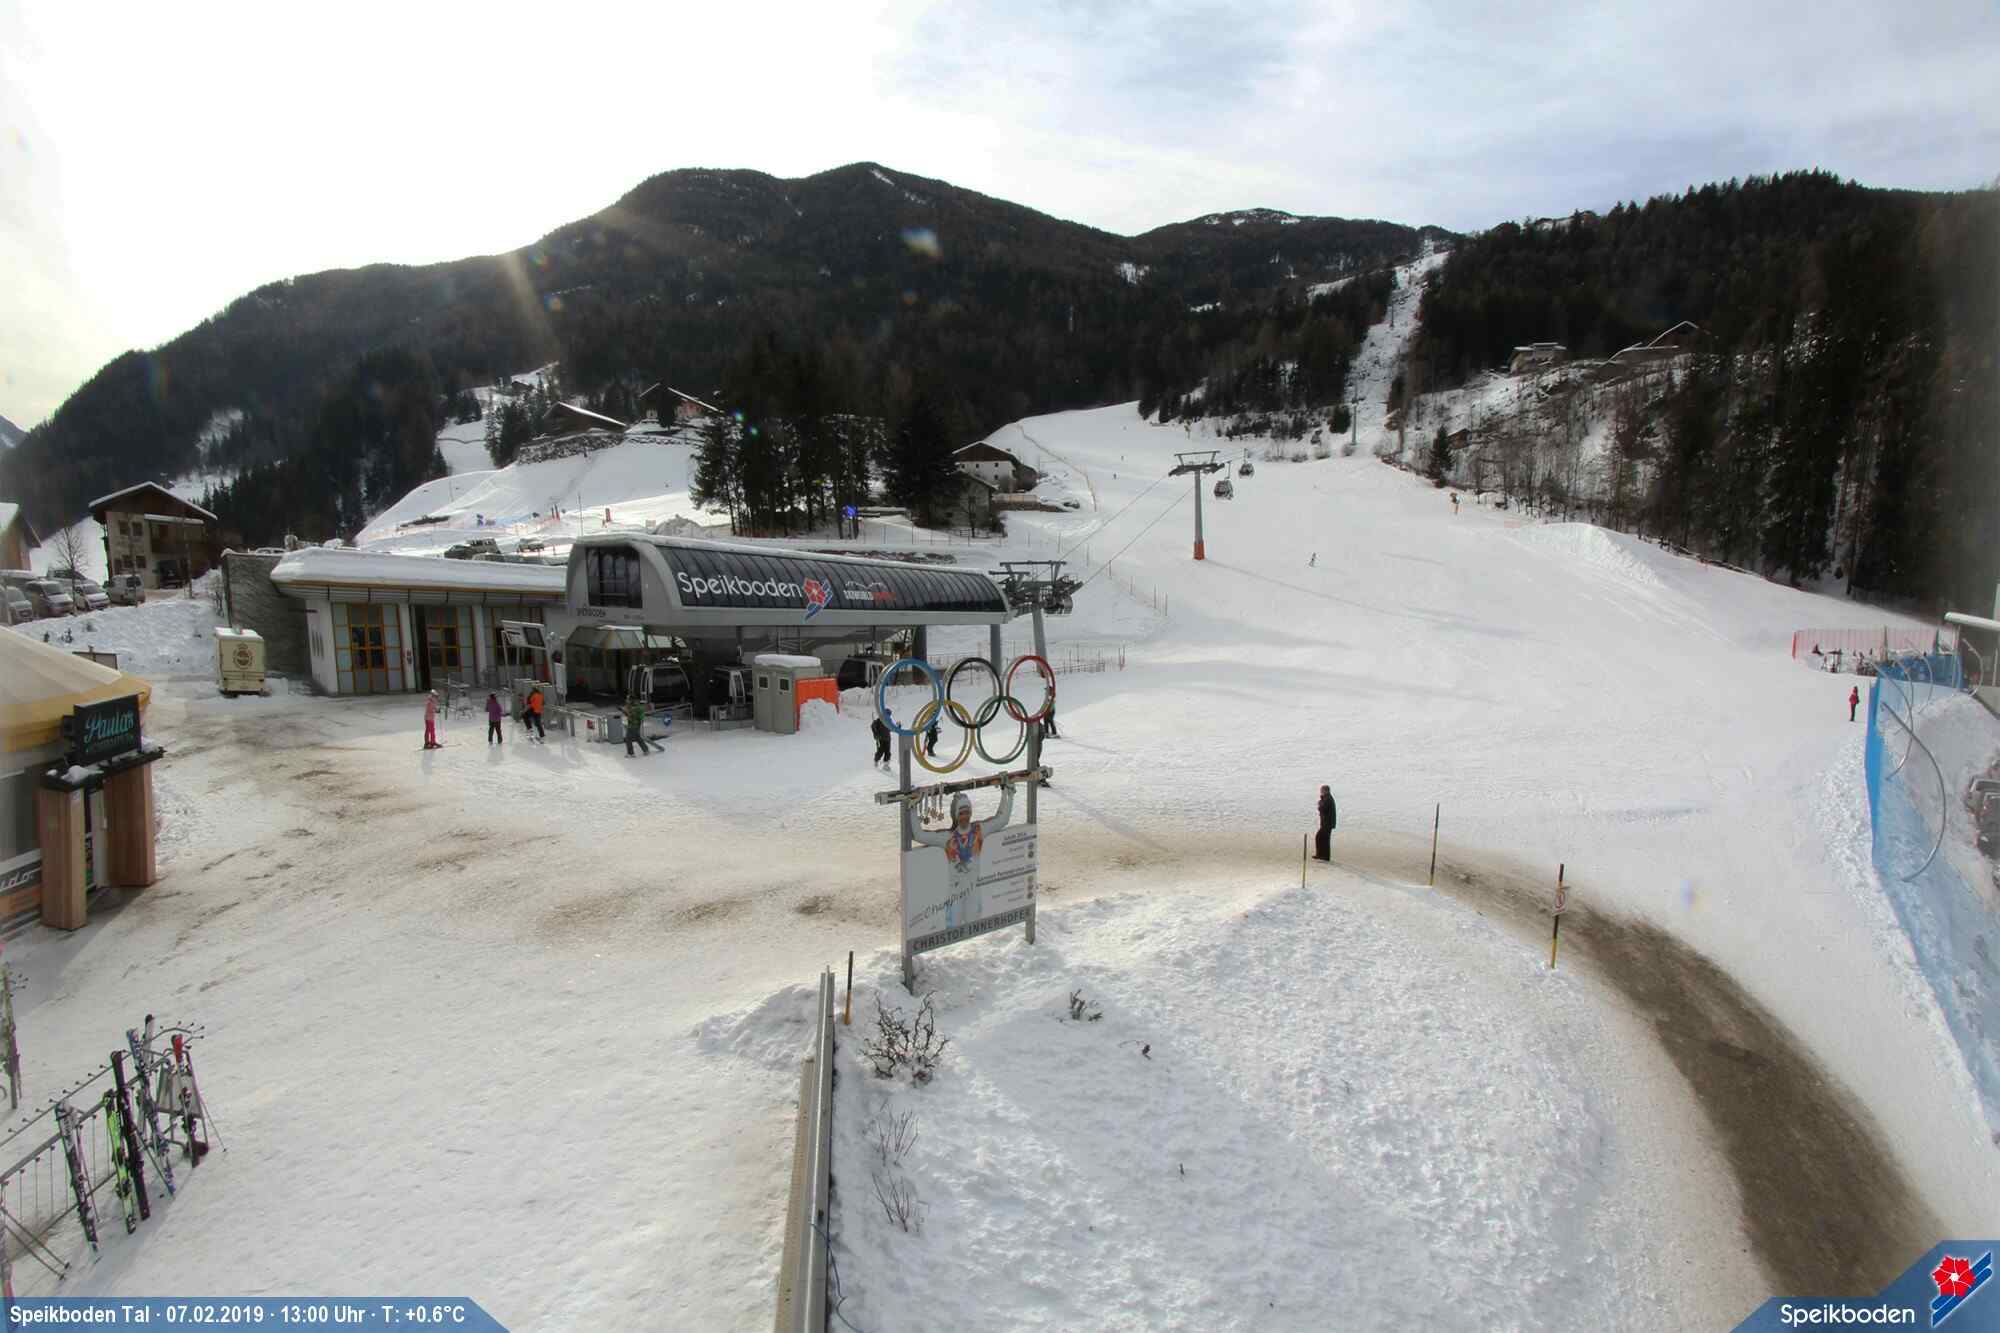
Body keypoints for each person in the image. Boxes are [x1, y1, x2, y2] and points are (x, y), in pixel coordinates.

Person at [906, 779, 1015, 929]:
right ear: (956, 815)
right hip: (955, 892)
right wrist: (912, 807)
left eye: (967, 812)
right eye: (961, 813)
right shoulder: (948, 837)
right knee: (952, 928)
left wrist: (1008, 793)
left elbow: (1002, 820)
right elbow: (919, 835)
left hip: (974, 889)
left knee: (973, 926)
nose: (964, 816)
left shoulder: (979, 831)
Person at [1314, 784, 1336, 861]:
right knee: (1322, 838)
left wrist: (1320, 803)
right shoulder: (1327, 798)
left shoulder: (1328, 799)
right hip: (1326, 823)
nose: (1321, 792)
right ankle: (1321, 855)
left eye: (1322, 790)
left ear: (1326, 791)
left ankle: (1323, 856)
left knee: (1320, 837)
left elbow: (1322, 808)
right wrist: (1321, 801)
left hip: (1327, 823)